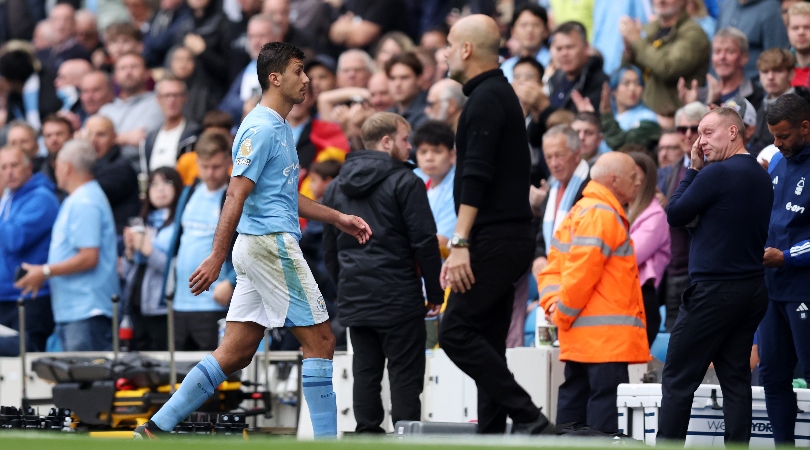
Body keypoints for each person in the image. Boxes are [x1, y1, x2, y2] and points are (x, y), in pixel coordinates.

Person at [133, 42, 371, 440]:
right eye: (299, 70)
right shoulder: (261, 127)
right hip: (269, 245)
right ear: (274, 78)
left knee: (237, 351)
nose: (307, 78)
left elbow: (285, 197)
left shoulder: (277, 125)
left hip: (259, 246)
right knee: (322, 340)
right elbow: (235, 193)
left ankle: (157, 428)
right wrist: (215, 256)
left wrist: (338, 218)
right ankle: (328, 444)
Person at [438, 14, 553, 435]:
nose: (445, 52)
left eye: (450, 44)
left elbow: (477, 176)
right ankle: (490, 436)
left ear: (467, 49)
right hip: (506, 238)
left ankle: (530, 418)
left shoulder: (487, 98)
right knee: (485, 340)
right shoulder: (495, 94)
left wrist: (460, 242)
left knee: (455, 332)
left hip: (494, 239)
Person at [657, 107, 773, 444]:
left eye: (708, 132)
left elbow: (675, 213)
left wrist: (692, 170)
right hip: (751, 289)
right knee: (735, 379)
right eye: (697, 133)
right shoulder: (761, 176)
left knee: (678, 377)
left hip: (715, 291)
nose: (699, 140)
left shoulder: (716, 173)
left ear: (733, 132)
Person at [322, 112, 442, 434]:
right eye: (405, 139)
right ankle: (405, 435)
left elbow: (329, 251)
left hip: (356, 298)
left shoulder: (335, 187)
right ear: (387, 142)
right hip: (399, 297)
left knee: (365, 373)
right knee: (404, 376)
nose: (410, 147)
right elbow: (425, 242)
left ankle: (366, 436)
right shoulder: (406, 182)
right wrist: (435, 293)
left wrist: (345, 287)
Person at [537, 151, 650, 433]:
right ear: (614, 180)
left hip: (580, 335)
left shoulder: (579, 211)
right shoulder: (603, 214)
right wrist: (561, 313)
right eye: (634, 178)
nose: (639, 184)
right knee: (602, 410)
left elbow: (553, 269)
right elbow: (580, 275)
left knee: (573, 400)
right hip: (605, 340)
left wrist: (553, 306)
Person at [15, 139, 120, 352]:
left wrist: (44, 271)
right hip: (77, 311)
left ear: (67, 167)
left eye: (58, 164)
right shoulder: (80, 198)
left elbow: (89, 257)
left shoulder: (85, 201)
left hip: (86, 312)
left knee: (87, 382)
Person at [759, 93, 810, 445]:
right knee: (773, 376)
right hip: (771, 289)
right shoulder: (777, 161)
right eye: (774, 136)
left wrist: (788, 257)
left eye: (784, 136)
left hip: (803, 287)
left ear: (805, 127)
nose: (777, 144)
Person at [163, 130, 235, 351]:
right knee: (178, 377)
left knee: (213, 376)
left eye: (216, 167)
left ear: (229, 162)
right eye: (205, 167)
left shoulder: (233, 196)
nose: (210, 173)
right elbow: (178, 242)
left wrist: (232, 282)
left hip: (213, 302)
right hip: (180, 303)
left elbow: (250, 245)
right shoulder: (189, 191)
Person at [0, 145, 59, 352]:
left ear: (29, 167)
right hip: (6, 298)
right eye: (3, 167)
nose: (8, 171)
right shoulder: (9, 198)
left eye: (14, 165)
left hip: (30, 298)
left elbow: (14, 239)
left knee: (26, 367)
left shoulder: (42, 198)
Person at [657, 102, 708, 331]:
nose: (687, 134)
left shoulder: (716, 167)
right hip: (675, 269)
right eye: (681, 129)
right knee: (673, 340)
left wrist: (672, 208)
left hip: (706, 270)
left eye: (693, 128)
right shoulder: (668, 172)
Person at [121, 167, 184, 351]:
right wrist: (129, 252)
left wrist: (148, 250)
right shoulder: (142, 222)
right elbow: (126, 272)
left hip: (163, 308)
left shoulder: (180, 224)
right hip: (136, 305)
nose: (160, 189)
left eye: (167, 183)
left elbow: (175, 270)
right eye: (154, 184)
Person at [621, 0, 710, 120]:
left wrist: (637, 41)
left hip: (679, 123)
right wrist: (629, 51)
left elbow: (668, 68)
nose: (661, 1)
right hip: (643, 115)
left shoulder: (694, 33)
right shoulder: (649, 28)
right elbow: (627, 71)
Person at [627, 151, 671, 346]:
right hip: (621, 297)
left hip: (641, 300)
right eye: (628, 176)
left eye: (637, 177)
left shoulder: (655, 215)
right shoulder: (617, 209)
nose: (633, 182)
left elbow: (629, 256)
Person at [98, 52, 164, 165]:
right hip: (105, 169)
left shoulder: (158, 103)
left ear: (147, 74)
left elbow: (143, 140)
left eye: (134, 67)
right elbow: (91, 143)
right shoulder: (105, 110)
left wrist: (106, 140)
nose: (128, 72)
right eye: (123, 68)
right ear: (115, 77)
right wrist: (124, 138)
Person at [217, 14, 281, 126]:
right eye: (251, 36)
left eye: (261, 36)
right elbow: (225, 106)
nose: (256, 42)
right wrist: (244, 105)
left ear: (277, 39)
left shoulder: (285, 69)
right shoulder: (248, 69)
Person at [84, 115, 140, 235]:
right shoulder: (89, 166)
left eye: (101, 135)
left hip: (117, 242)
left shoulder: (121, 169)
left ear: (114, 137)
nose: (93, 140)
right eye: (89, 134)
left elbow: (89, 197)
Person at [547, 21, 609, 114]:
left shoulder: (600, 83)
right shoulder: (554, 80)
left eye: (570, 47)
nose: (564, 54)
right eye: (559, 49)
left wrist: (544, 110)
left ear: (586, 47)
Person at [718, 0, 789, 80]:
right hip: (723, 85)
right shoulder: (727, 5)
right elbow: (715, 47)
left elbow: (776, 58)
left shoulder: (771, 9)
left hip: (754, 85)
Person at [143, 77, 201, 173]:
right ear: (158, 99)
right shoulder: (149, 139)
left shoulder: (196, 135)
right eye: (167, 95)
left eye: (176, 95)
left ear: (185, 98)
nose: (172, 100)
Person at [600, 66, 662, 153]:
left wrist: (606, 113)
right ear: (613, 90)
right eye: (626, 83)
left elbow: (625, 146)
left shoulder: (648, 118)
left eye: (637, 83)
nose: (632, 88)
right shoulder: (614, 117)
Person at [750, 48, 796, 155]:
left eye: (778, 71)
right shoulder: (759, 105)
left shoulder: (802, 107)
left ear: (791, 74)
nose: (770, 77)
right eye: (765, 72)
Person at [501, 3, 551, 84]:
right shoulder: (506, 67)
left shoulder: (554, 62)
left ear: (546, 31)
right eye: (523, 25)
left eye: (536, 25)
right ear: (513, 32)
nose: (529, 30)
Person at [36, 4, 91, 74]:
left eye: (66, 20)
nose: (60, 25)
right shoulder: (42, 53)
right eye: (56, 19)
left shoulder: (81, 53)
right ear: (50, 23)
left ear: (74, 24)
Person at [385, 52, 428, 133]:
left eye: (404, 78)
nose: (397, 84)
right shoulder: (388, 114)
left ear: (419, 79)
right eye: (392, 78)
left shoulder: (428, 112)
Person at [40, 114, 74, 200]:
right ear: (43, 141)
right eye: (48, 136)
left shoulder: (82, 167)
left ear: (71, 136)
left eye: (59, 134)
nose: (54, 139)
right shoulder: (39, 171)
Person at [787, 2, 810, 87]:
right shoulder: (781, 67)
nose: (801, 32)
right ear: (788, 31)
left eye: (807, 27)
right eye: (795, 28)